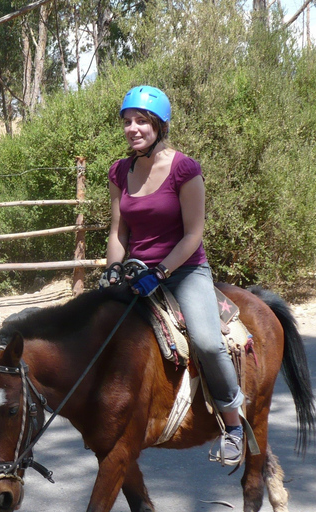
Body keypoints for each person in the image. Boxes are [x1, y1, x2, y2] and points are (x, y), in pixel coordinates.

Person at [102, 85, 246, 465]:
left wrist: (162, 271)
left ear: (159, 126)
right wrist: (113, 270)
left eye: (142, 122)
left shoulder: (184, 168)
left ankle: (232, 423)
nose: (133, 128)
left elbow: (193, 234)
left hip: (183, 270)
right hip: (135, 272)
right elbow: (119, 231)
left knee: (207, 341)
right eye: (127, 121)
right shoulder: (120, 171)